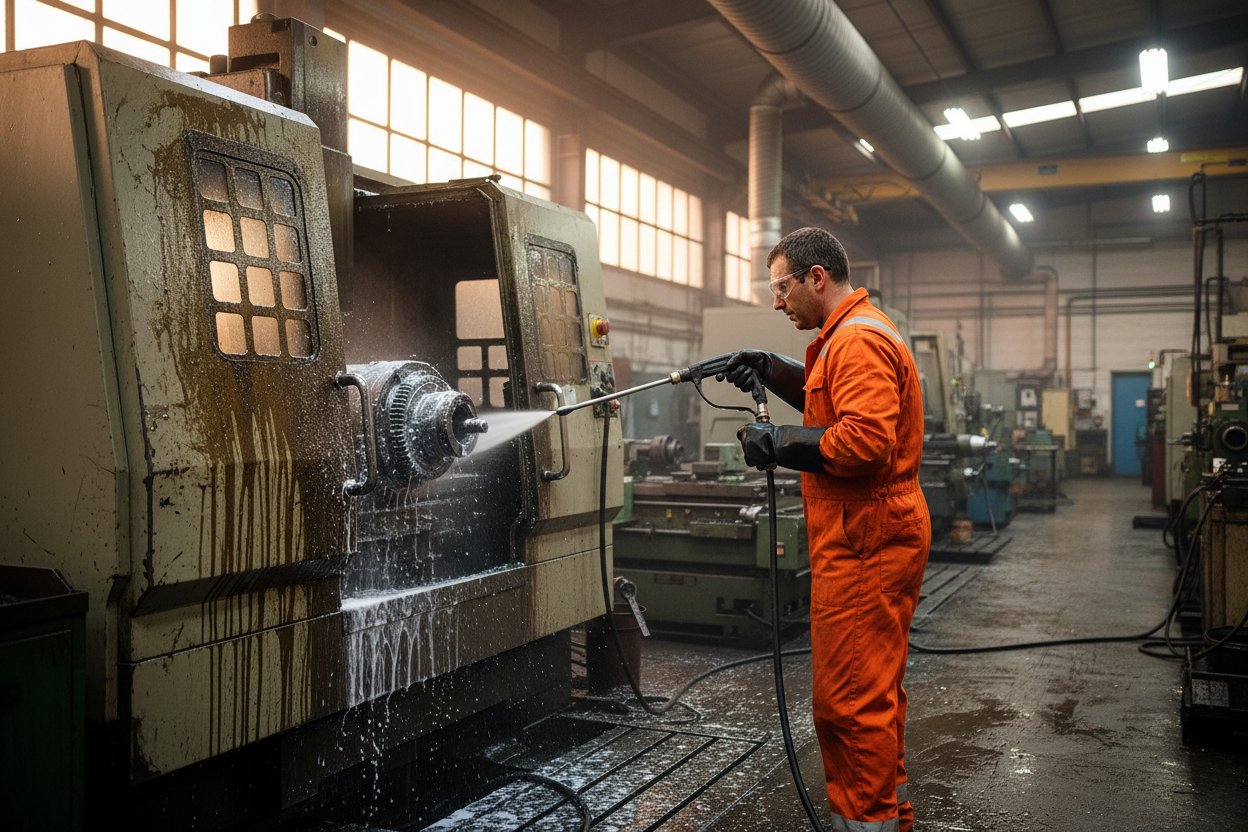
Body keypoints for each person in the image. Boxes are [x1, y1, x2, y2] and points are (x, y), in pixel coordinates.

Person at [724, 227, 930, 832]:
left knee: (849, 702)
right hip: (864, 533)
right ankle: (886, 817)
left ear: (817, 278)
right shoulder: (844, 336)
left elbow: (865, 441)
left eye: (782, 287)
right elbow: (832, 406)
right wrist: (774, 369)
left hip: (868, 538)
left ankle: (863, 823)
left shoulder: (858, 341)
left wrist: (777, 444)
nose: (777, 301)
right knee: (872, 693)